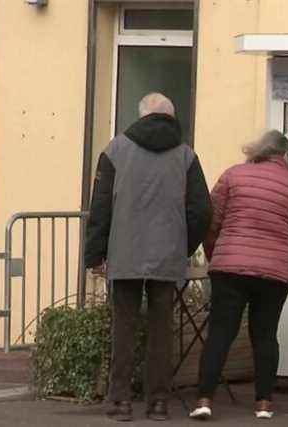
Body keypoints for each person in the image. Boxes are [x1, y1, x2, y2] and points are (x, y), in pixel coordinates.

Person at [84, 93, 212, 422]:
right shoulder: (186, 155)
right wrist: (182, 245)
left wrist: (95, 254)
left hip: (124, 252)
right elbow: (201, 210)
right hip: (167, 255)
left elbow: (100, 207)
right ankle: (158, 403)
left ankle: (121, 401)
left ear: (141, 116)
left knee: (123, 329)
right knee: (161, 332)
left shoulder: (115, 150)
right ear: (170, 117)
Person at [189, 130, 288, 421]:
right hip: (275, 272)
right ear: (285, 155)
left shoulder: (233, 175)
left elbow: (211, 221)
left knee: (220, 333)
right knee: (264, 335)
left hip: (230, 268)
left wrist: (216, 255)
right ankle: (263, 404)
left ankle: (204, 399)